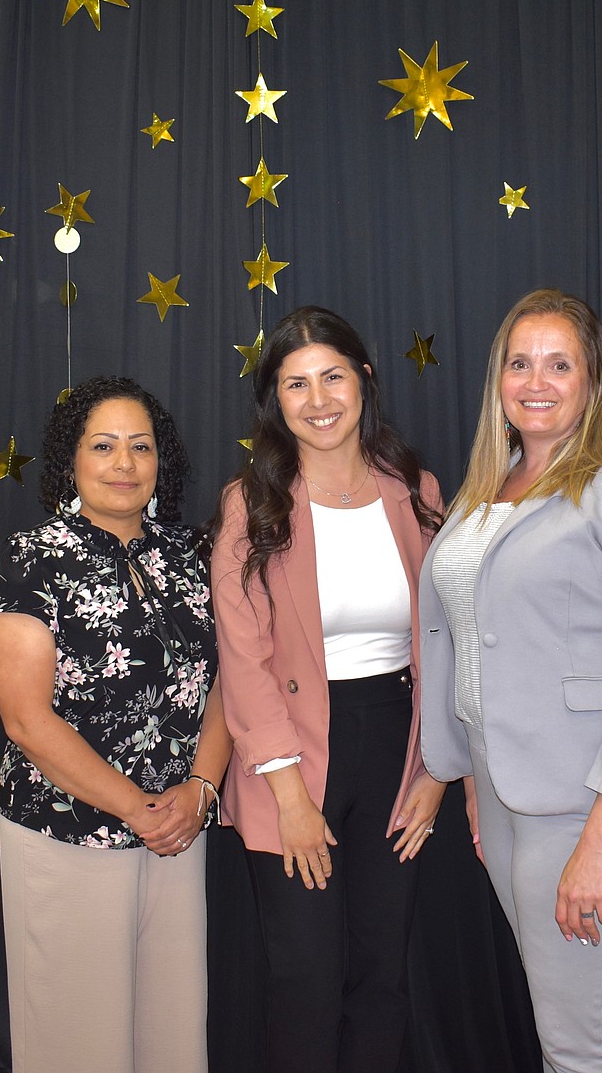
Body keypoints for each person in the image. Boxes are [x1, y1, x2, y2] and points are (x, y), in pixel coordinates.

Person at [419, 289, 602, 1073]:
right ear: (498, 379)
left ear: (593, 380)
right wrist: (472, 777)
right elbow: (474, 645)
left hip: (592, 805)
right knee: (563, 1030)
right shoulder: (487, 489)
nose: (535, 380)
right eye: (519, 361)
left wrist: (600, 839)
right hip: (509, 800)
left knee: (582, 1043)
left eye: (559, 363)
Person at [207, 305, 446, 1072]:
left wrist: (438, 769)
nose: (317, 399)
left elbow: (450, 641)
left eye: (332, 375)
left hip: (395, 747)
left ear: (364, 377)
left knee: (382, 974)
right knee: (304, 979)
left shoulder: (416, 487)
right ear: (275, 401)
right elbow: (242, 662)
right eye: (295, 383)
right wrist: (288, 798)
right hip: (292, 757)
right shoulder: (252, 503)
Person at [0, 376, 230, 1073]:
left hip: (178, 832)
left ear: (160, 462)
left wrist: (201, 791)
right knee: (76, 1046)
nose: (124, 463)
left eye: (140, 447)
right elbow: (26, 719)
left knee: (172, 1039)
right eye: (104, 445)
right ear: (71, 461)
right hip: (69, 831)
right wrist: (138, 809)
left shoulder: (191, 556)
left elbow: (230, 686)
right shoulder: (28, 559)